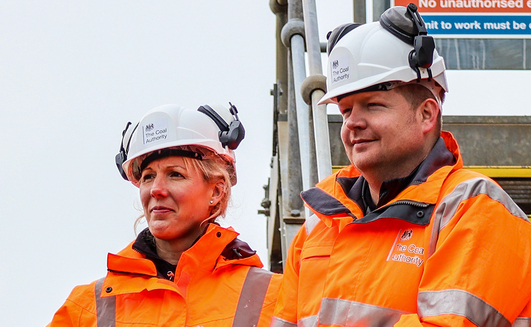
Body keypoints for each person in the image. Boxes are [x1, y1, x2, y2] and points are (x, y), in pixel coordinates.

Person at [271, 4, 531, 327]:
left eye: (372, 106)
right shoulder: (317, 229)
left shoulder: (474, 208)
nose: (352, 123)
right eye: (346, 110)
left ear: (426, 114)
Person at [48, 103, 282, 326]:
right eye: (148, 177)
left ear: (217, 190)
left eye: (175, 175)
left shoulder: (272, 297)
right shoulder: (87, 308)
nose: (156, 190)